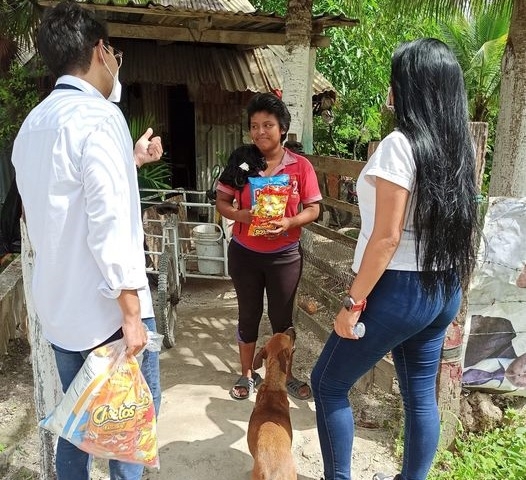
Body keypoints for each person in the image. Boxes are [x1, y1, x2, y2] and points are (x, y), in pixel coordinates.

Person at [311, 38, 478, 480]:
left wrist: (352, 303)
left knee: (327, 384)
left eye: (396, 77)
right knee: (420, 394)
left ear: (413, 86)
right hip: (442, 288)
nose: (391, 86)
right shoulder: (458, 147)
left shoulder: (400, 145)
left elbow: (385, 238)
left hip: (398, 289)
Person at [11, 2, 163, 479]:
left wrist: (130, 161)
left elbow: (65, 203)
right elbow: (109, 223)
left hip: (60, 312)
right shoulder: (100, 118)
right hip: (108, 316)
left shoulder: (32, 126)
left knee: (79, 423)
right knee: (128, 429)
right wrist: (132, 312)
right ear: (101, 51)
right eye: (113, 52)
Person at [216, 92, 322, 400]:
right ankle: (247, 373)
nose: (260, 132)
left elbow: (314, 208)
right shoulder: (242, 160)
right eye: (255, 125)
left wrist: (290, 222)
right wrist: (241, 215)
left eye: (268, 125)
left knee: (282, 319)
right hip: (245, 254)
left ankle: (284, 375)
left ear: (283, 128)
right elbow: (222, 201)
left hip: (284, 257)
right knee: (248, 314)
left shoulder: (300, 167)